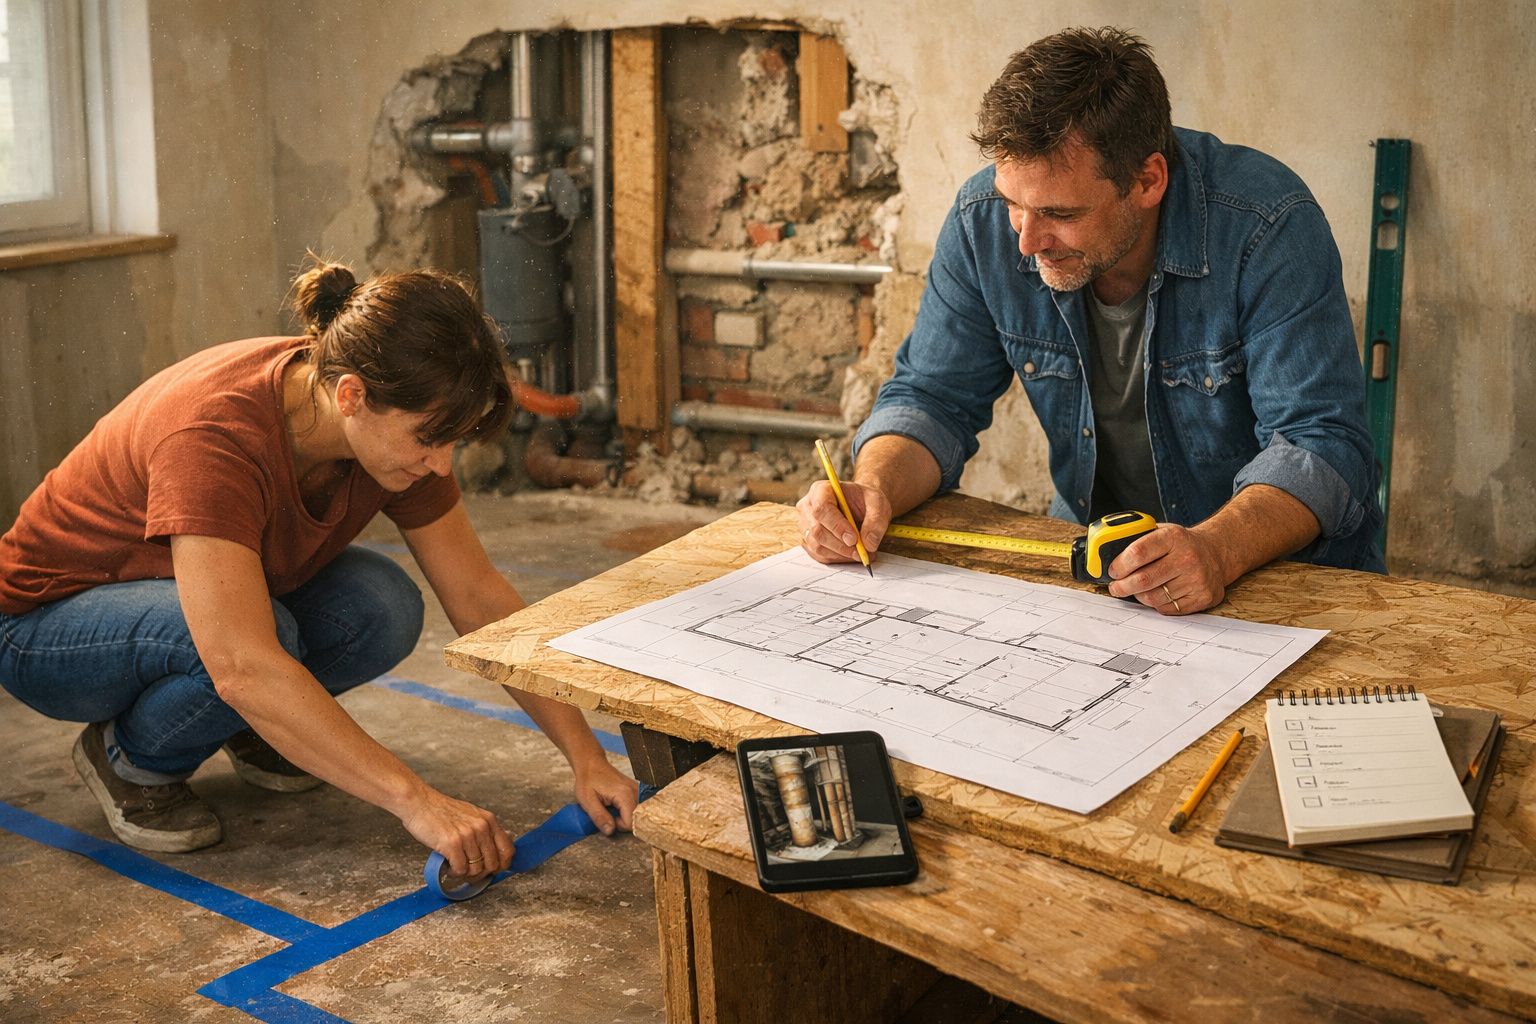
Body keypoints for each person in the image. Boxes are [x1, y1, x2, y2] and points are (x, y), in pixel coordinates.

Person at [0, 258, 638, 876]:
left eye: (452, 442)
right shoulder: (213, 436)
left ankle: (268, 731)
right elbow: (242, 664)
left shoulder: (384, 410)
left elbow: (477, 594)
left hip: (163, 598)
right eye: (429, 439)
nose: (442, 465)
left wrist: (585, 756)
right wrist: (418, 802)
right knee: (263, 644)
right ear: (352, 395)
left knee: (382, 604)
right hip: (44, 629)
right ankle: (128, 758)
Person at [798, 26, 1384, 614]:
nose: (1026, 242)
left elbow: (1320, 443)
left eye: (1060, 213)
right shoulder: (982, 221)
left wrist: (1217, 549)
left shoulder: (1266, 225)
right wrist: (873, 489)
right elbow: (932, 398)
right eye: (1013, 203)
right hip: (1098, 567)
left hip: (1275, 578)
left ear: (1148, 180)